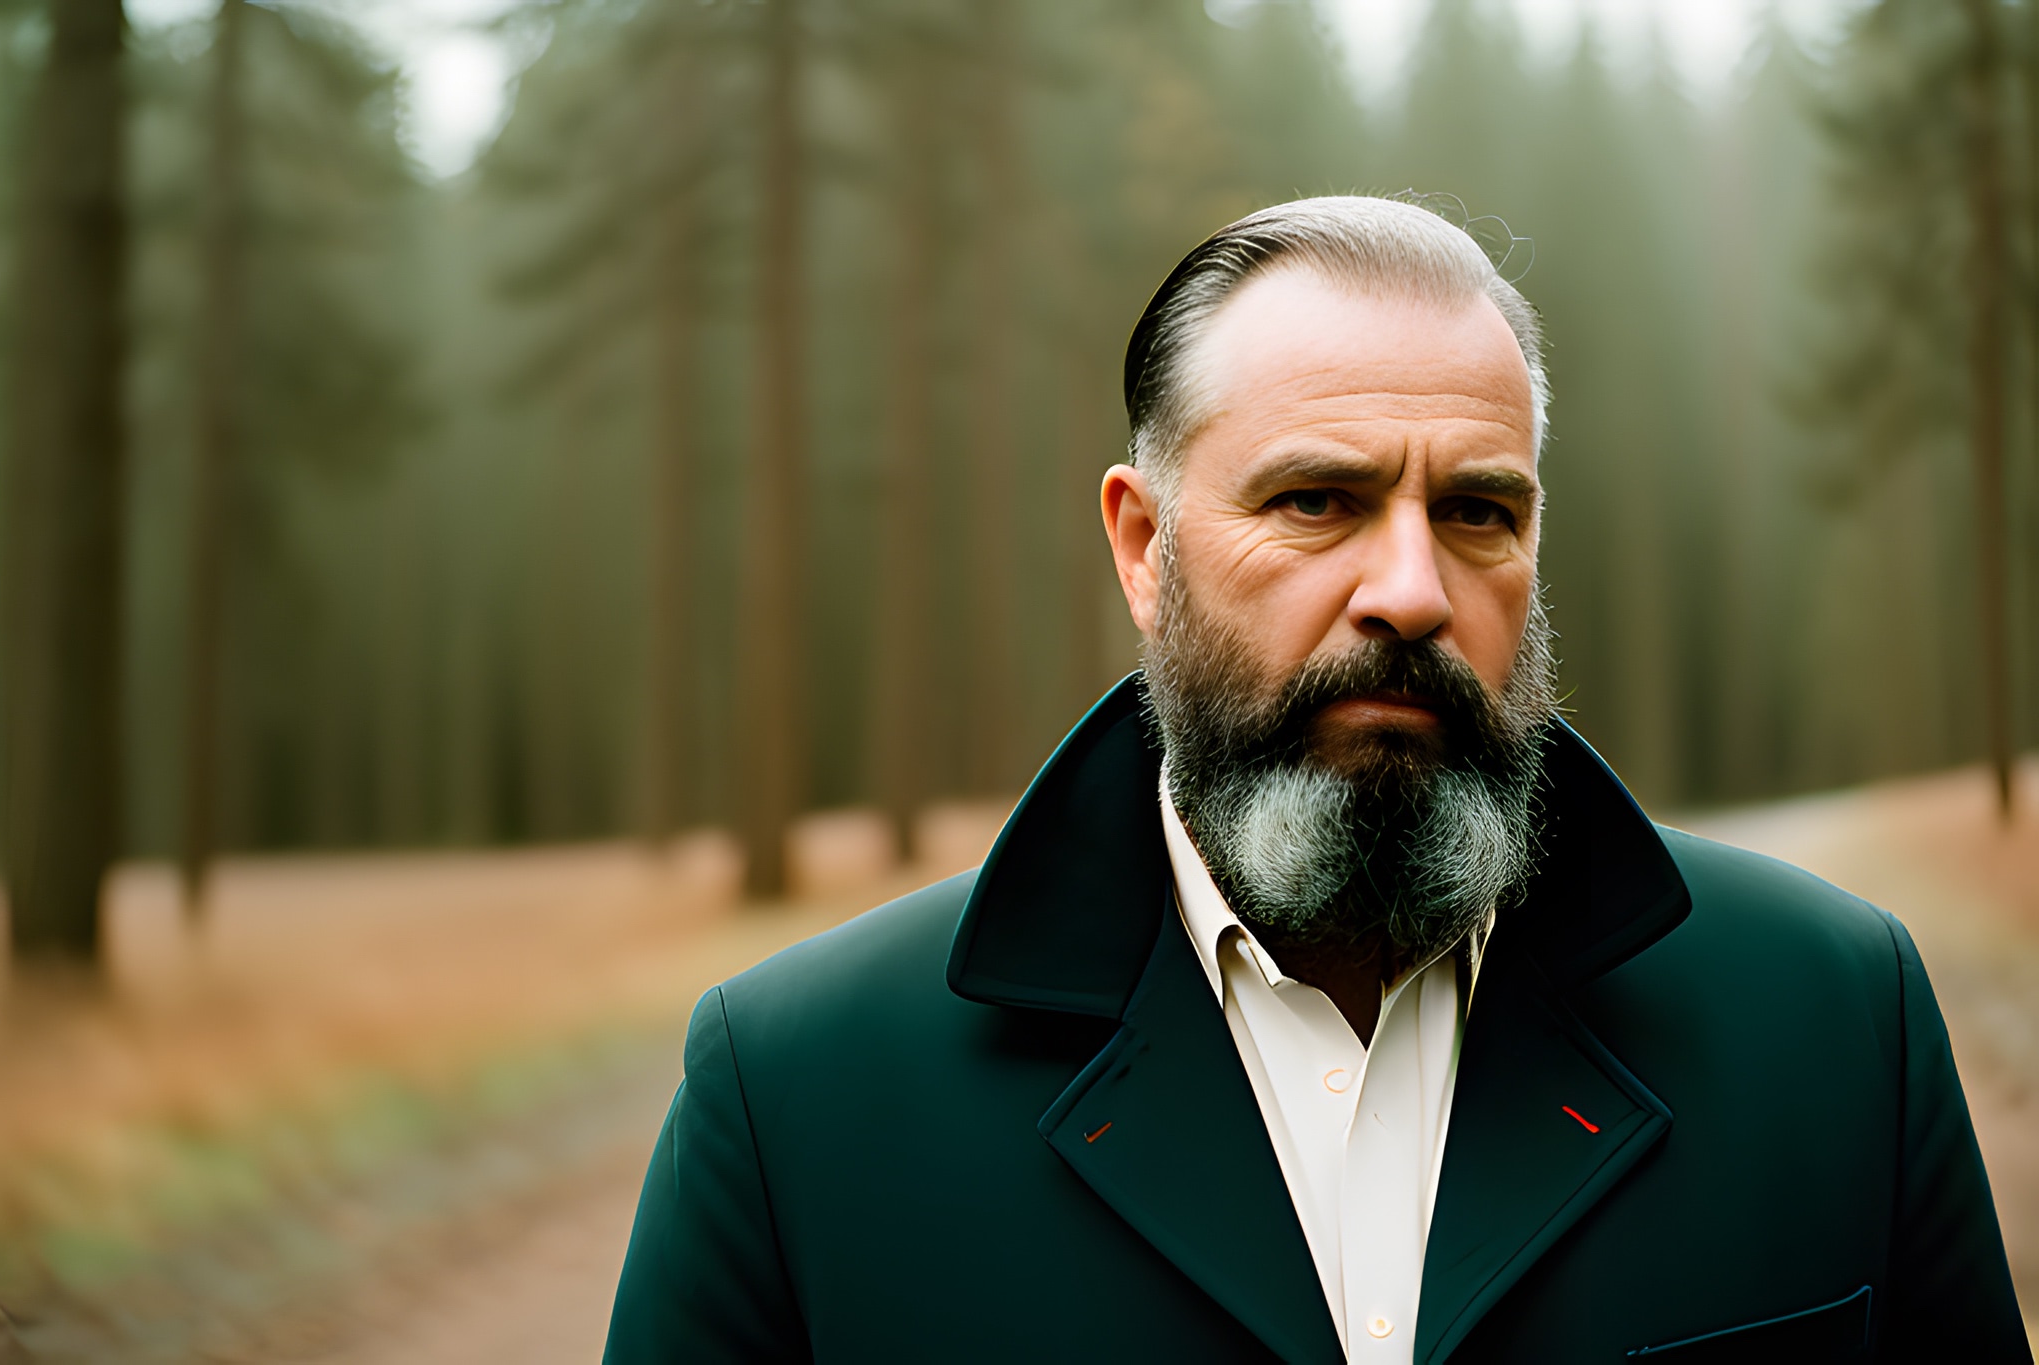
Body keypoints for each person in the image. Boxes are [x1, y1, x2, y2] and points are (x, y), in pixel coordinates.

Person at [603, 196, 2029, 1363]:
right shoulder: (801, 1098)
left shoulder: (1838, 1026)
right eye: (1318, 501)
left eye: (1477, 511)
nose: (1410, 589)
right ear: (1143, 547)